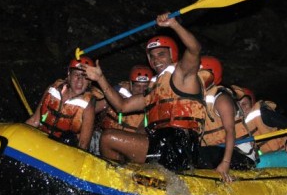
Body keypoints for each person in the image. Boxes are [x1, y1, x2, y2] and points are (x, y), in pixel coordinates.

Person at [83, 13, 205, 171]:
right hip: (159, 142)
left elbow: (195, 49)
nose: (156, 60)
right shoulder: (155, 90)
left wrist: (174, 25)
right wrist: (100, 78)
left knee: (108, 138)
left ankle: (116, 178)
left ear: (172, 54)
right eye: (152, 57)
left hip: (180, 143)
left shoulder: (183, 74)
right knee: (109, 137)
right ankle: (120, 178)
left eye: (161, 54)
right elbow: (122, 106)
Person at [197, 56, 254, 181]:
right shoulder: (197, 102)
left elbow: (230, 131)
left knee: (202, 153)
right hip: (216, 152)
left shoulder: (221, 99)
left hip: (241, 157)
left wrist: (225, 163)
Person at [25, 56, 96, 151]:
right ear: (69, 75)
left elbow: (83, 145)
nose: (80, 81)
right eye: (76, 75)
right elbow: (34, 121)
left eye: (84, 76)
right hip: (42, 140)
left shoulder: (88, 105)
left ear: (90, 81)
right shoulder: (52, 90)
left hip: (64, 150)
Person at [231, 85, 287, 155]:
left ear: (252, 102)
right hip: (267, 155)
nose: (242, 108)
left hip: (285, 150)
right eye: (238, 105)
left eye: (244, 104)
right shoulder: (238, 123)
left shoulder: (264, 114)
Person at [100, 65, 154, 133]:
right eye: (137, 86)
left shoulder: (152, 103)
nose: (141, 90)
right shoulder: (116, 94)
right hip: (105, 133)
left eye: (145, 86)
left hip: (129, 140)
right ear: (130, 85)